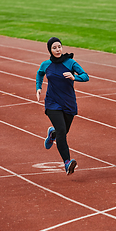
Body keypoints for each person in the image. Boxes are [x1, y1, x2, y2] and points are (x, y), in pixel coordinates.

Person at [36, 37, 89, 175]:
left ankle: (52, 133)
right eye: (54, 48)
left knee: (63, 132)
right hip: (52, 103)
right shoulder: (46, 64)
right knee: (62, 132)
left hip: (68, 102)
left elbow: (85, 76)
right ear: (50, 50)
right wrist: (38, 87)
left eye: (59, 46)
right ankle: (67, 162)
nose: (58, 49)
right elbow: (40, 73)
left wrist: (74, 77)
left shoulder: (70, 63)